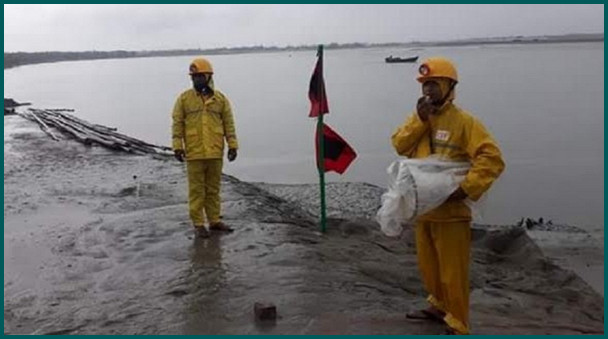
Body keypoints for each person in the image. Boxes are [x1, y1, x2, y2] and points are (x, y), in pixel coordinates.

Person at [391, 57, 505, 334]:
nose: (427, 90)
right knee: (428, 264)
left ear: (449, 86)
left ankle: (458, 321)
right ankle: (438, 305)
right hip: (425, 208)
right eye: (425, 85)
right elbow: (399, 145)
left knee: (452, 270)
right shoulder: (420, 117)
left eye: (433, 84)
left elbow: (491, 158)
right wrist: (420, 120)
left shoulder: (465, 122)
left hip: (452, 212)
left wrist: (466, 189)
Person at [172, 57, 239, 238]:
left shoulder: (220, 100)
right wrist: (177, 146)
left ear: (209, 77)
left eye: (200, 76)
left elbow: (229, 124)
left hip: (215, 152)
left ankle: (214, 220)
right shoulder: (184, 99)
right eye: (194, 77)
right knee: (196, 190)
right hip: (194, 153)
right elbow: (177, 124)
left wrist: (233, 145)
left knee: (213, 189)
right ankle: (198, 223)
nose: (196, 80)